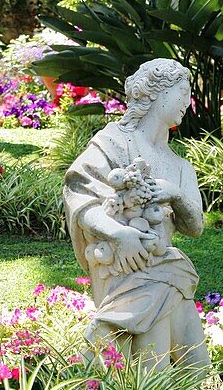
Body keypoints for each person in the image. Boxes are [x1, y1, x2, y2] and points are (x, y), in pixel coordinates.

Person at [63, 58, 210, 373]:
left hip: (168, 269)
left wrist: (175, 193)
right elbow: (80, 197)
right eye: (182, 92)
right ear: (159, 93)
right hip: (125, 271)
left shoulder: (180, 166)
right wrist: (121, 234)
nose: (188, 101)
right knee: (150, 370)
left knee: (197, 368)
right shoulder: (113, 142)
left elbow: (195, 226)